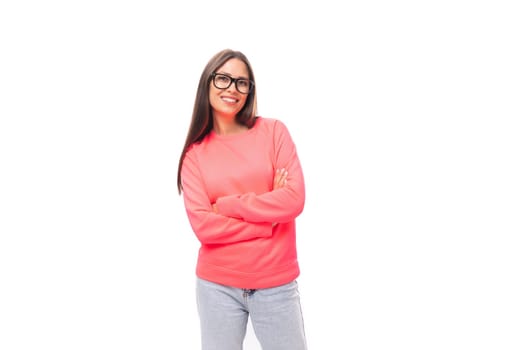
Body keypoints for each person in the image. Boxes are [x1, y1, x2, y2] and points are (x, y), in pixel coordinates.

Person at [177, 48, 308, 350]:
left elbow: (294, 199)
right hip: (217, 286)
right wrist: (268, 221)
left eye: (242, 82)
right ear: (207, 83)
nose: (232, 89)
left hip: (276, 282)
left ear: (250, 90)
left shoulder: (274, 132)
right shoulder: (194, 155)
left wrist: (228, 205)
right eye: (223, 78)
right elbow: (205, 228)